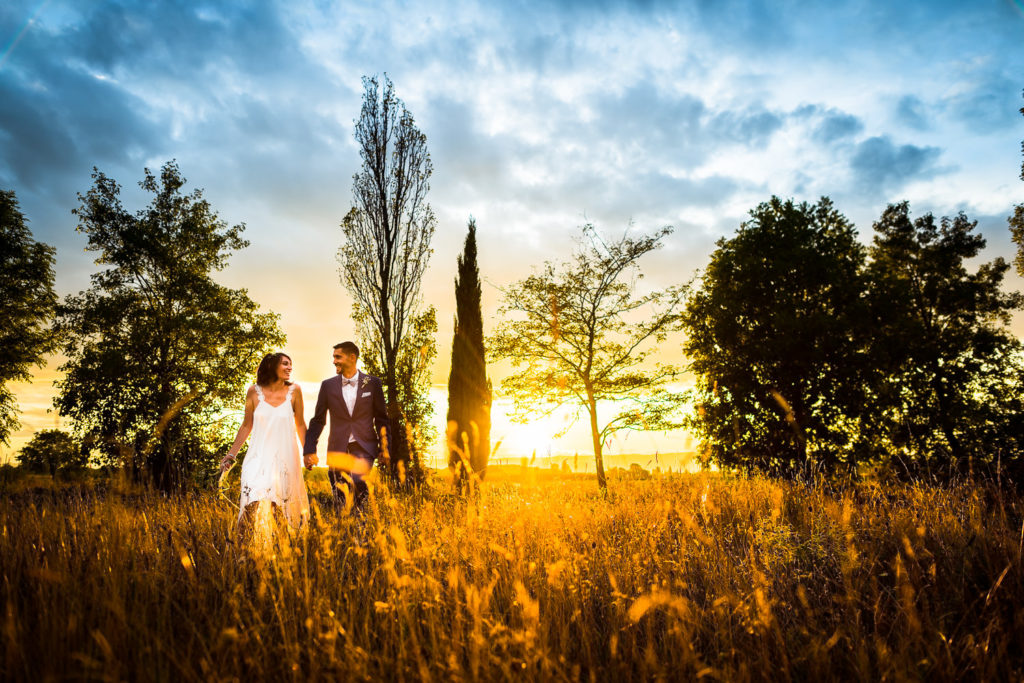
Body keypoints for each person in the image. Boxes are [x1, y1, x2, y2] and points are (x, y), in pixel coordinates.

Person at [220, 352, 309, 529]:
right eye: (285, 363)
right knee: (251, 504)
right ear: (272, 366)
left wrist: (309, 452)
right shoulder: (253, 392)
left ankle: (282, 551)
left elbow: (300, 424)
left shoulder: (295, 391)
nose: (289, 367)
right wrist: (231, 455)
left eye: (290, 364)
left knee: (279, 510)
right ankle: (240, 552)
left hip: (285, 459)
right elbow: (246, 425)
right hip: (257, 458)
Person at [303, 341, 389, 513]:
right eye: (333, 357)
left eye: (338, 357)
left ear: (352, 357)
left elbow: (381, 419)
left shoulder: (372, 383)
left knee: (358, 482)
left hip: (364, 445)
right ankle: (344, 530)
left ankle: (361, 529)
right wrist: (309, 449)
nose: (334, 361)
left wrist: (385, 447)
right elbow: (318, 420)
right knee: (339, 490)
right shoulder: (328, 386)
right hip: (337, 446)